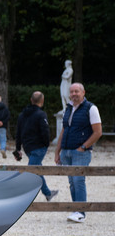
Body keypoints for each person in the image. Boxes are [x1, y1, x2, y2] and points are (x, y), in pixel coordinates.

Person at [55, 82, 103, 222]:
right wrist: (57, 151)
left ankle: (80, 212)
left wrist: (83, 147)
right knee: (72, 182)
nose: (74, 94)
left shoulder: (91, 108)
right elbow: (64, 130)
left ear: (83, 92)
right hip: (66, 151)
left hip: (81, 152)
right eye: (72, 92)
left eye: (77, 91)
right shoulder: (68, 108)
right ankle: (76, 210)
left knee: (78, 180)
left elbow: (98, 132)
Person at [12, 91, 58, 201]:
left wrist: (18, 148)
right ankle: (21, 196)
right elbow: (45, 132)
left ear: (31, 100)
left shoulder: (22, 115)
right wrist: (46, 144)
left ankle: (47, 193)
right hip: (39, 147)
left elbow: (18, 133)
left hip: (27, 147)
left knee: (35, 169)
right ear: (42, 101)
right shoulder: (41, 114)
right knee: (32, 171)